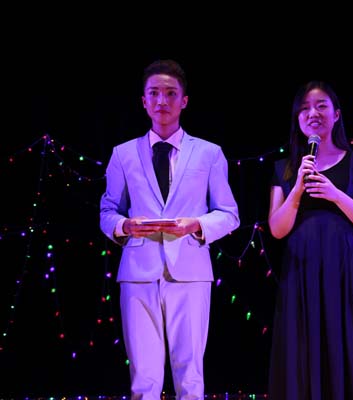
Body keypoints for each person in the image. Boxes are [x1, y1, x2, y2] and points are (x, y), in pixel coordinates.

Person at [99, 59, 240, 399]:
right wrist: (124, 225)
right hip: (138, 273)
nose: (162, 100)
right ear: (143, 101)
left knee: (190, 375)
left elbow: (229, 214)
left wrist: (197, 224)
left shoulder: (209, 153)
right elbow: (107, 211)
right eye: (154, 93)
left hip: (190, 272)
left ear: (184, 100)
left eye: (171, 93)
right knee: (143, 378)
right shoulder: (122, 154)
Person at [267, 80, 353, 400]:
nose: (313, 113)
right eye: (305, 108)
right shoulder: (285, 169)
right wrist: (297, 188)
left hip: (347, 270)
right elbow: (277, 229)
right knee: (303, 348)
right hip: (301, 271)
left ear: (336, 114)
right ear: (297, 119)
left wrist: (336, 195)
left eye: (321, 106)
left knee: (349, 344)